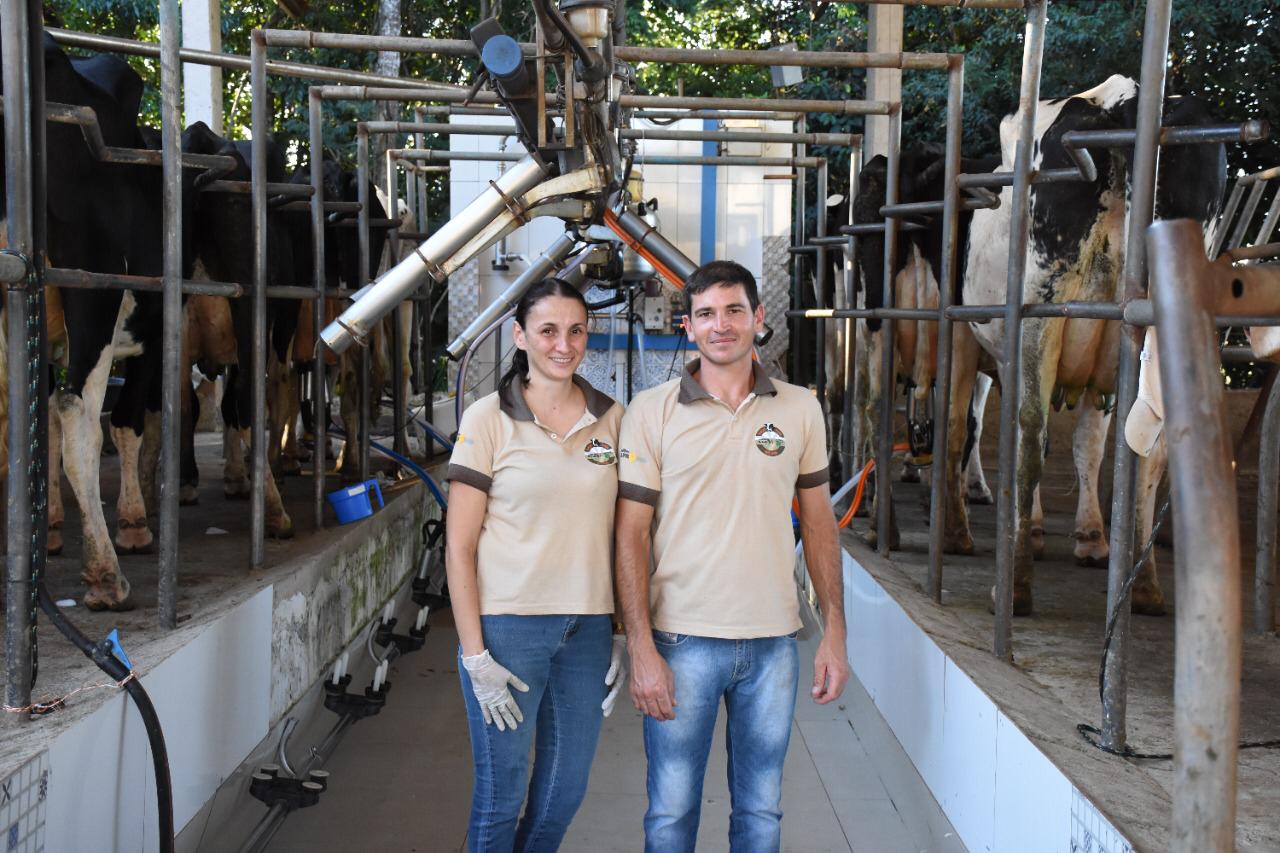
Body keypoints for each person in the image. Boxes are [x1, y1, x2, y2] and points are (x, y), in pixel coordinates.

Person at [615, 260, 850, 852]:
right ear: (688, 327)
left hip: (775, 644)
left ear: (758, 319)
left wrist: (835, 631)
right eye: (706, 315)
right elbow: (630, 535)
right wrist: (639, 645)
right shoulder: (652, 411)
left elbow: (820, 525)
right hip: (680, 640)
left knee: (761, 814)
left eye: (734, 311)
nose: (721, 326)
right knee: (670, 812)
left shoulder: (799, 409)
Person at [445, 278, 629, 852]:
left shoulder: (612, 419)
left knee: (562, 795)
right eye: (547, 330)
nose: (563, 344)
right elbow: (459, 547)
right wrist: (475, 655)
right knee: (501, 797)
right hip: (508, 631)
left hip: (588, 631)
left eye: (575, 330)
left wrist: (623, 629)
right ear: (520, 336)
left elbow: (626, 534)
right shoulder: (488, 419)